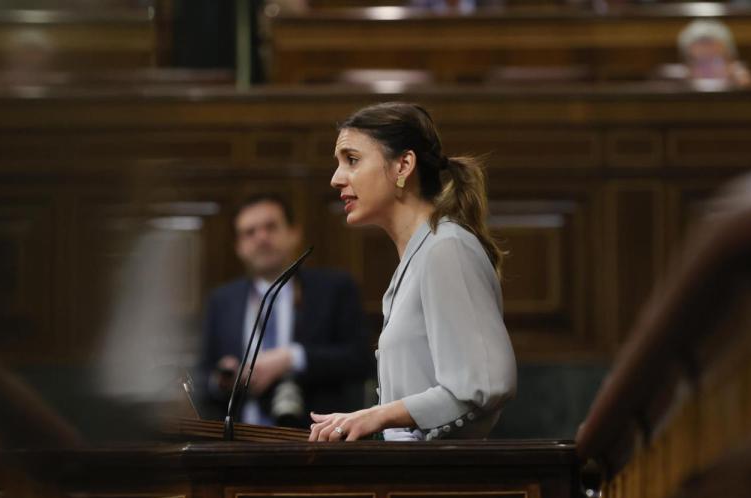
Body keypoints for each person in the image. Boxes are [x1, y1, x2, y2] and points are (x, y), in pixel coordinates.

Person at [311, 102, 516, 442]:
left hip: (445, 486)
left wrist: (378, 416)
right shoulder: (420, 255)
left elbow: (487, 384)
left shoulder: (447, 248)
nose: (336, 178)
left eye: (352, 160)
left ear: (403, 165)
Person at [195, 192, 371, 428]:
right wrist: (222, 379)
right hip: (239, 442)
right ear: (238, 247)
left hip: (315, 440)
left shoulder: (335, 288)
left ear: (294, 233)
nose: (261, 238)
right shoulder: (222, 300)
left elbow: (360, 359)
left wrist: (292, 358)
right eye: (250, 232)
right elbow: (203, 376)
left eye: (271, 227)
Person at [677, 19, 751, 89]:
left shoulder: (737, 73)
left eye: (711, 43)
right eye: (701, 43)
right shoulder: (682, 76)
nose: (706, 49)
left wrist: (743, 83)